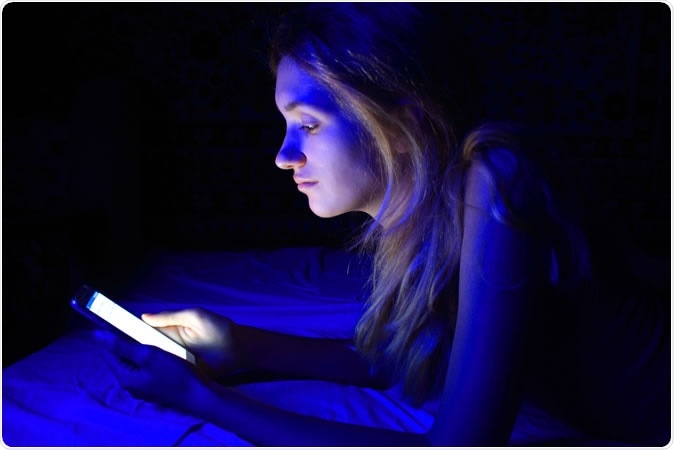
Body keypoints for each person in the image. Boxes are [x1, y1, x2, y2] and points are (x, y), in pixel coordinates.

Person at [95, 3, 669, 446]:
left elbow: (458, 448)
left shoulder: (498, 177)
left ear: (398, 124)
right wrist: (238, 342)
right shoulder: (426, 211)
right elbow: (402, 359)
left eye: (310, 125)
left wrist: (208, 402)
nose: (283, 155)